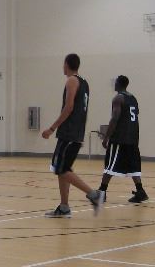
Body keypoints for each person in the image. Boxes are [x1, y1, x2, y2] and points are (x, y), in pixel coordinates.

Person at [41, 53, 104, 218]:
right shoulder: (84, 82)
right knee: (62, 168)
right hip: (76, 132)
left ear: (67, 64)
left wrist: (52, 128)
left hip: (68, 133)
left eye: (63, 64)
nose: (62, 67)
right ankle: (64, 207)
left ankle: (94, 194)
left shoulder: (71, 81)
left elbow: (69, 107)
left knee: (60, 168)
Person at [97, 75, 148, 204]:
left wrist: (106, 137)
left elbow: (115, 119)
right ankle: (140, 191)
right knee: (133, 166)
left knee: (110, 165)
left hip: (120, 138)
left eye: (115, 82)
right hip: (133, 137)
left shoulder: (118, 98)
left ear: (119, 84)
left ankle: (101, 193)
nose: (114, 84)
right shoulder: (133, 98)